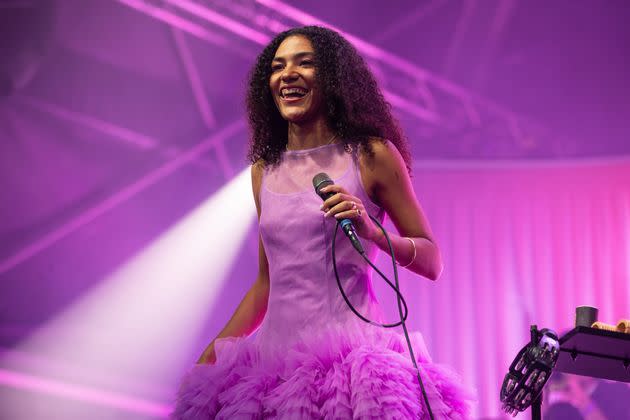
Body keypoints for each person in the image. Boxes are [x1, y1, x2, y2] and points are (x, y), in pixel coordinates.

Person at [173, 25, 473, 419]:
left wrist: (374, 232)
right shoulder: (264, 170)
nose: (288, 74)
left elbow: (432, 261)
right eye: (278, 67)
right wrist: (211, 355)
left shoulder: (372, 155)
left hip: (351, 368)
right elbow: (268, 282)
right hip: (273, 369)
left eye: (305, 63)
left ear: (333, 78)